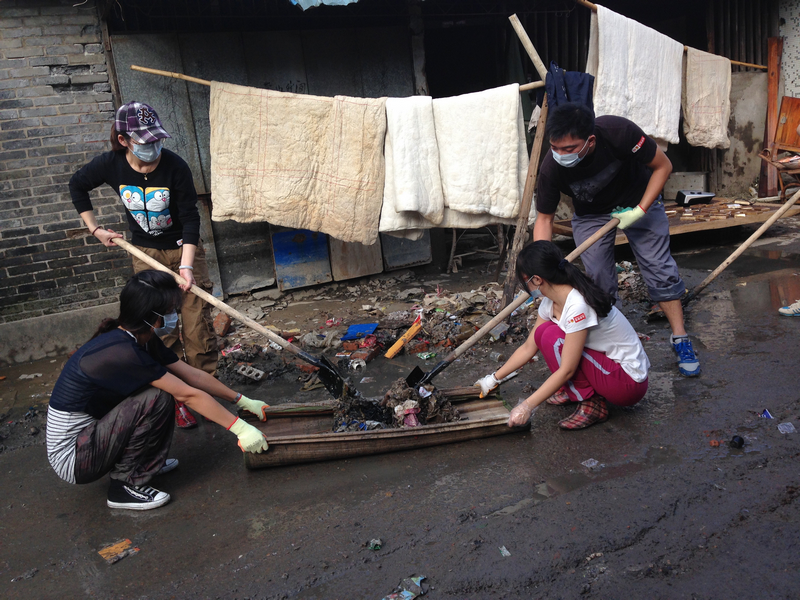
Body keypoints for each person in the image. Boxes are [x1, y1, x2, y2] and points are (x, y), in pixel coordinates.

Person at [46, 270, 270, 511]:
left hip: (92, 438)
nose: (174, 316)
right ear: (152, 317)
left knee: (159, 393)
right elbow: (186, 393)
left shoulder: (140, 338)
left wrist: (242, 400)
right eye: (170, 310)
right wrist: (240, 429)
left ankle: (142, 465)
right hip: (74, 457)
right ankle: (123, 486)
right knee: (158, 396)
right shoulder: (122, 352)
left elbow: (191, 375)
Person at [69, 101, 217, 429]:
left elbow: (190, 217)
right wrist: (95, 229)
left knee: (197, 325)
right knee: (158, 327)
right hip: (145, 254)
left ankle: (205, 392)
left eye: (157, 139)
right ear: (124, 140)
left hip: (184, 251)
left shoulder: (175, 166)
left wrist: (187, 267)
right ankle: (176, 398)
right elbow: (77, 185)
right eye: (145, 141)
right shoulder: (110, 165)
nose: (154, 146)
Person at [533, 102, 700, 377]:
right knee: (597, 279)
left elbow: (663, 166)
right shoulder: (551, 168)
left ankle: (680, 338)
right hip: (591, 214)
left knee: (659, 267)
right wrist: (543, 266)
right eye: (555, 148)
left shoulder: (619, 132)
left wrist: (640, 210)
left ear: (590, 141)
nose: (561, 155)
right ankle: (616, 342)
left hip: (639, 200)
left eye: (569, 148)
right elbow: (544, 220)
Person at [475, 241, 650, 430]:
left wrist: (527, 406)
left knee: (556, 339)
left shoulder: (578, 305)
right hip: (605, 367)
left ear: (537, 279)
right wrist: (492, 379)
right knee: (544, 333)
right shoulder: (550, 303)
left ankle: (591, 404)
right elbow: (528, 347)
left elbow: (567, 369)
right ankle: (574, 389)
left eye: (525, 280)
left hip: (628, 383)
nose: (525, 285)